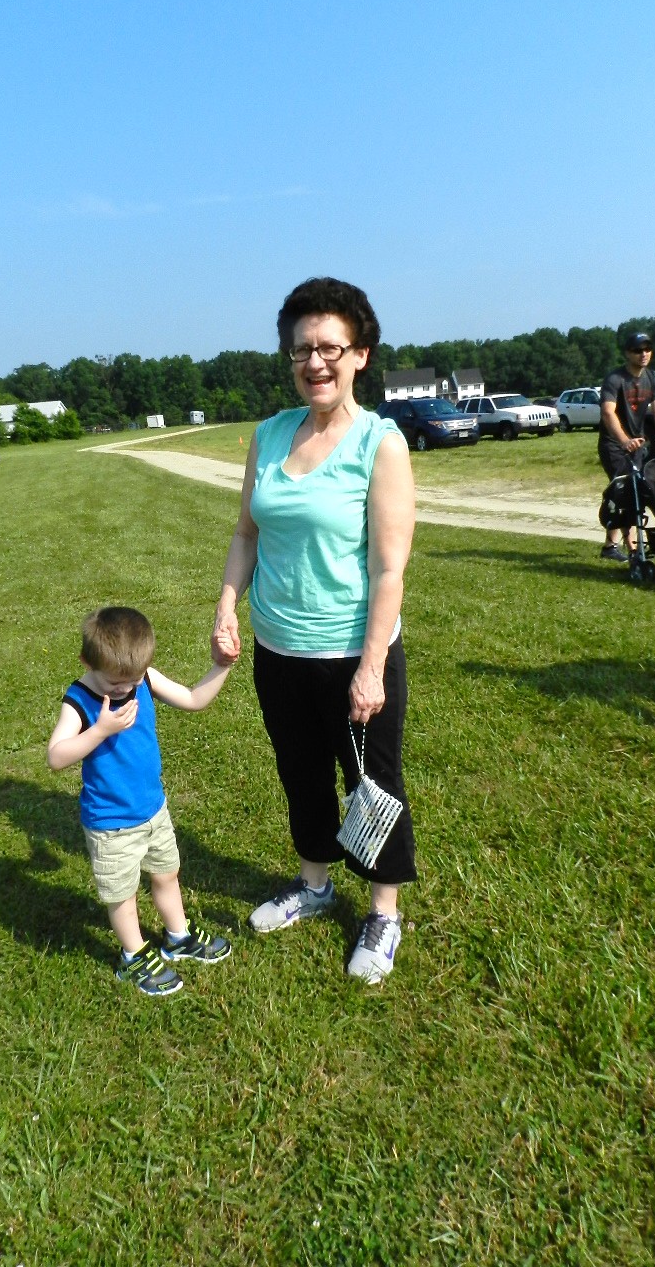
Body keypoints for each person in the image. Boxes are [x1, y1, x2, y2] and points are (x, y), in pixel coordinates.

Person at [210, 277, 417, 985]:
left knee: (372, 785)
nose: (315, 362)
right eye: (302, 349)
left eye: (330, 347)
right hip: (279, 649)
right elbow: (246, 533)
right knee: (300, 774)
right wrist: (227, 605)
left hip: (354, 652)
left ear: (360, 354)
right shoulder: (269, 435)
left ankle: (383, 914)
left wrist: (370, 667)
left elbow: (389, 569)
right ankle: (316, 884)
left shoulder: (380, 444)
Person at [47, 606, 235, 997]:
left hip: (153, 809)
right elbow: (56, 756)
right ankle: (132, 955)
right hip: (111, 823)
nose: (125, 689)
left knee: (167, 874)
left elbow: (193, 699)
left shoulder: (143, 678)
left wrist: (222, 666)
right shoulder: (79, 700)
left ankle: (178, 937)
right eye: (115, 682)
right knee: (123, 895)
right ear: (87, 662)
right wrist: (100, 730)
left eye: (132, 681)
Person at [598, 331, 655, 560]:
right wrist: (624, 440)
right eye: (638, 350)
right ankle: (631, 548)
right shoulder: (615, 379)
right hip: (614, 444)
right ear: (627, 353)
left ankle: (611, 546)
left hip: (638, 443)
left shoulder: (652, 377)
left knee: (639, 489)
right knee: (626, 490)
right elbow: (608, 413)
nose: (644, 354)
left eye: (647, 349)